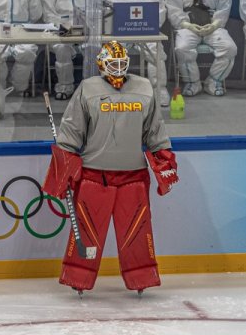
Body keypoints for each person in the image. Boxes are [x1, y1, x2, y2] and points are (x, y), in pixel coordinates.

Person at [42, 41, 179, 294]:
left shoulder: (144, 88)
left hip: (133, 177)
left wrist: (163, 157)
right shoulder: (88, 89)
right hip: (95, 175)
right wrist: (64, 164)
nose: (118, 69)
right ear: (101, 64)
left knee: (136, 232)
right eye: (112, 64)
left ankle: (141, 279)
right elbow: (71, 132)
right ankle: (78, 279)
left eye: (122, 64)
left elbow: (155, 131)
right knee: (87, 231)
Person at [165, 0, 237, 97]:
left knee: (230, 48)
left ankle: (214, 81)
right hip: (188, 27)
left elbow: (224, 6)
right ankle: (193, 83)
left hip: (213, 27)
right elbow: (173, 9)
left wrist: (215, 25)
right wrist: (187, 25)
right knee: (182, 48)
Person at [103, 0, 170, 106]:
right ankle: (113, 89)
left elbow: (160, 10)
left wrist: (148, 25)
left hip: (145, 33)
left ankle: (159, 89)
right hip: (119, 34)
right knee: (112, 51)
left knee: (156, 50)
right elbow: (103, 12)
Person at [40, 0, 87, 100]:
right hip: (59, 33)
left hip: (85, 33)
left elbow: (98, 11)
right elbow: (48, 13)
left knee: (97, 49)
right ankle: (64, 87)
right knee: (62, 48)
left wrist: (86, 25)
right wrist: (63, 26)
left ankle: (91, 87)